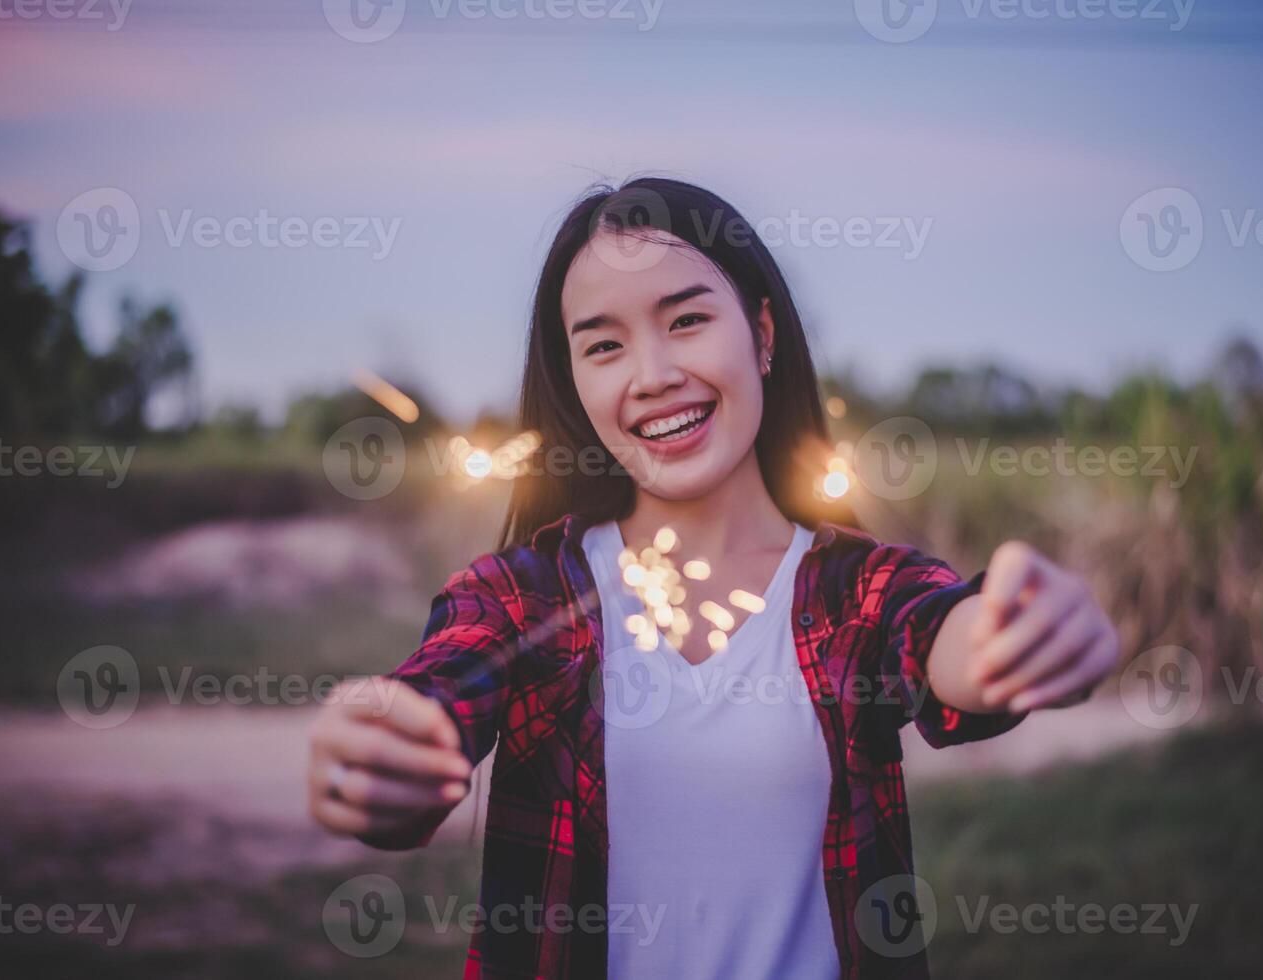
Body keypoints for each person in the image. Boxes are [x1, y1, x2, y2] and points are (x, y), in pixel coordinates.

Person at [308, 177, 1118, 978]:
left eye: (687, 319)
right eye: (603, 345)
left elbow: (942, 635)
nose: (653, 373)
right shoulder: (522, 598)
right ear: (575, 384)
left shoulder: (853, 588)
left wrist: (1014, 632)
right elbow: (439, 694)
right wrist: (389, 747)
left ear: (762, 335)